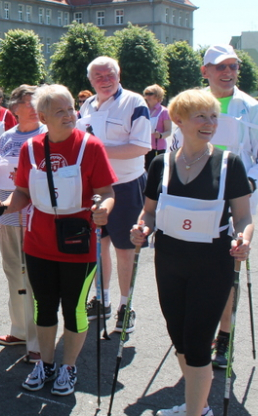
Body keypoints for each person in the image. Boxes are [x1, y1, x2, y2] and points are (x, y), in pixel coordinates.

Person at [131, 89, 254, 416]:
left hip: (211, 266)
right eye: (201, 116)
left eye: (213, 116)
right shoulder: (161, 164)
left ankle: (196, 412)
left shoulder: (230, 164)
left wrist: (243, 239)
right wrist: (142, 227)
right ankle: (196, 404)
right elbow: (149, 212)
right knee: (180, 338)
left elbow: (243, 217)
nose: (209, 123)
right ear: (179, 120)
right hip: (169, 262)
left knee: (199, 345)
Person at [0, 84, 115, 396]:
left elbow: (108, 191)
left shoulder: (91, 147)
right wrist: (5, 206)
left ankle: (67, 367)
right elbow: (21, 193)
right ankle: (44, 363)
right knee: (43, 307)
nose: (69, 115)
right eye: (60, 111)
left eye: (71, 108)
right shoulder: (30, 148)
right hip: (39, 243)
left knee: (74, 309)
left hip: (78, 245)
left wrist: (103, 208)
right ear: (43, 116)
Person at [169, 44, 258, 369]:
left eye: (233, 66)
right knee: (192, 272)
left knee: (227, 274)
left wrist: (243, 186)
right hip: (192, 205)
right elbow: (175, 151)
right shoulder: (191, 104)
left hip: (234, 208)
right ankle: (196, 332)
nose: (227, 72)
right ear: (206, 71)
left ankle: (224, 336)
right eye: (220, 67)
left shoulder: (253, 109)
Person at [0, 84, 46, 363]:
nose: (36, 106)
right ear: (15, 107)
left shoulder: (46, 135)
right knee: (15, 274)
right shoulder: (5, 138)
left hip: (36, 219)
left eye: (38, 101)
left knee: (37, 280)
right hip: (8, 216)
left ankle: (40, 340)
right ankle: (21, 331)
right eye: (30, 101)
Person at [77, 56, 151, 333]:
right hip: (95, 187)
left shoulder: (135, 103)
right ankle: (102, 299)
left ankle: (125, 305)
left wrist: (98, 150)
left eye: (110, 75)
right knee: (99, 247)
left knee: (125, 250)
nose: (105, 80)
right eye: (98, 76)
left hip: (126, 186)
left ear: (119, 75)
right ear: (90, 80)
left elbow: (141, 146)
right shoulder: (86, 105)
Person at [144, 84, 172, 170]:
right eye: (146, 94)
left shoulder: (164, 112)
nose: (147, 96)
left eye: (150, 94)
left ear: (157, 95)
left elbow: (168, 131)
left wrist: (160, 135)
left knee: (156, 172)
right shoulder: (144, 109)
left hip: (158, 148)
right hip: (144, 146)